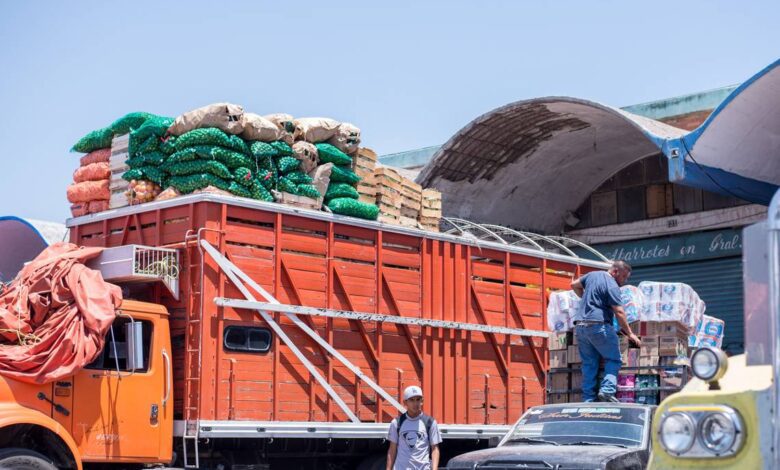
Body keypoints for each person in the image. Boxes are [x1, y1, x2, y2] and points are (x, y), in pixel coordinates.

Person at [571, 261, 641, 403]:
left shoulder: (592, 275)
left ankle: (588, 399)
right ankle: (607, 391)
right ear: (615, 272)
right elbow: (619, 312)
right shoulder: (612, 285)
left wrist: (585, 298)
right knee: (614, 359)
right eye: (623, 277)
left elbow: (574, 285)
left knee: (589, 364)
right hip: (598, 326)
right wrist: (630, 333)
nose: (624, 281)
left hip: (580, 327)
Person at [386, 385, 442, 470]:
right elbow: (392, 450)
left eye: (418, 399)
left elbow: (435, 449)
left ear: (422, 401)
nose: (415, 403)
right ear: (405, 402)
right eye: (412, 400)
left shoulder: (430, 422)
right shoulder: (396, 423)